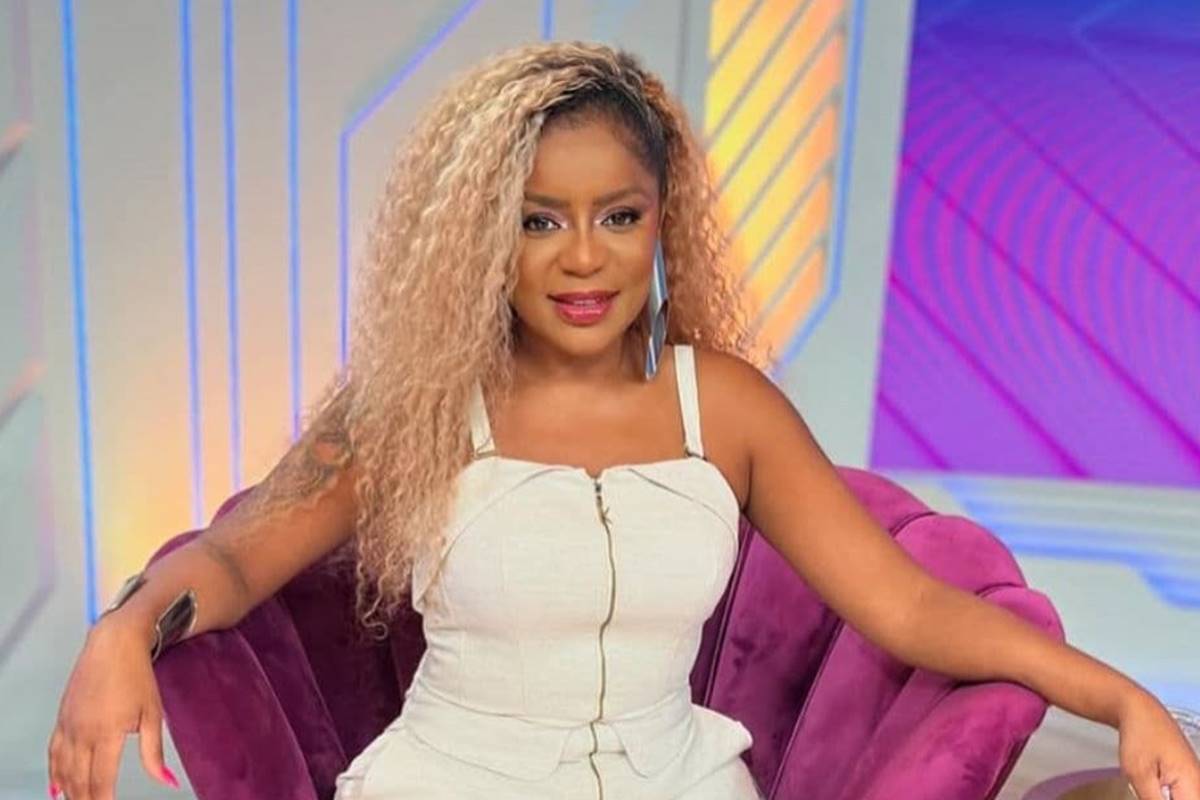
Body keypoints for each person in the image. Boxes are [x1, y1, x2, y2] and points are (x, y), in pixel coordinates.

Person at [47, 41, 1199, 800]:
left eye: (618, 215)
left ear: (662, 223)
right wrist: (124, 627)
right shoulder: (410, 409)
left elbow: (906, 603)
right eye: (539, 219)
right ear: (482, 235)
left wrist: (1119, 696)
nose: (584, 257)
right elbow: (237, 556)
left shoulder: (725, 404)